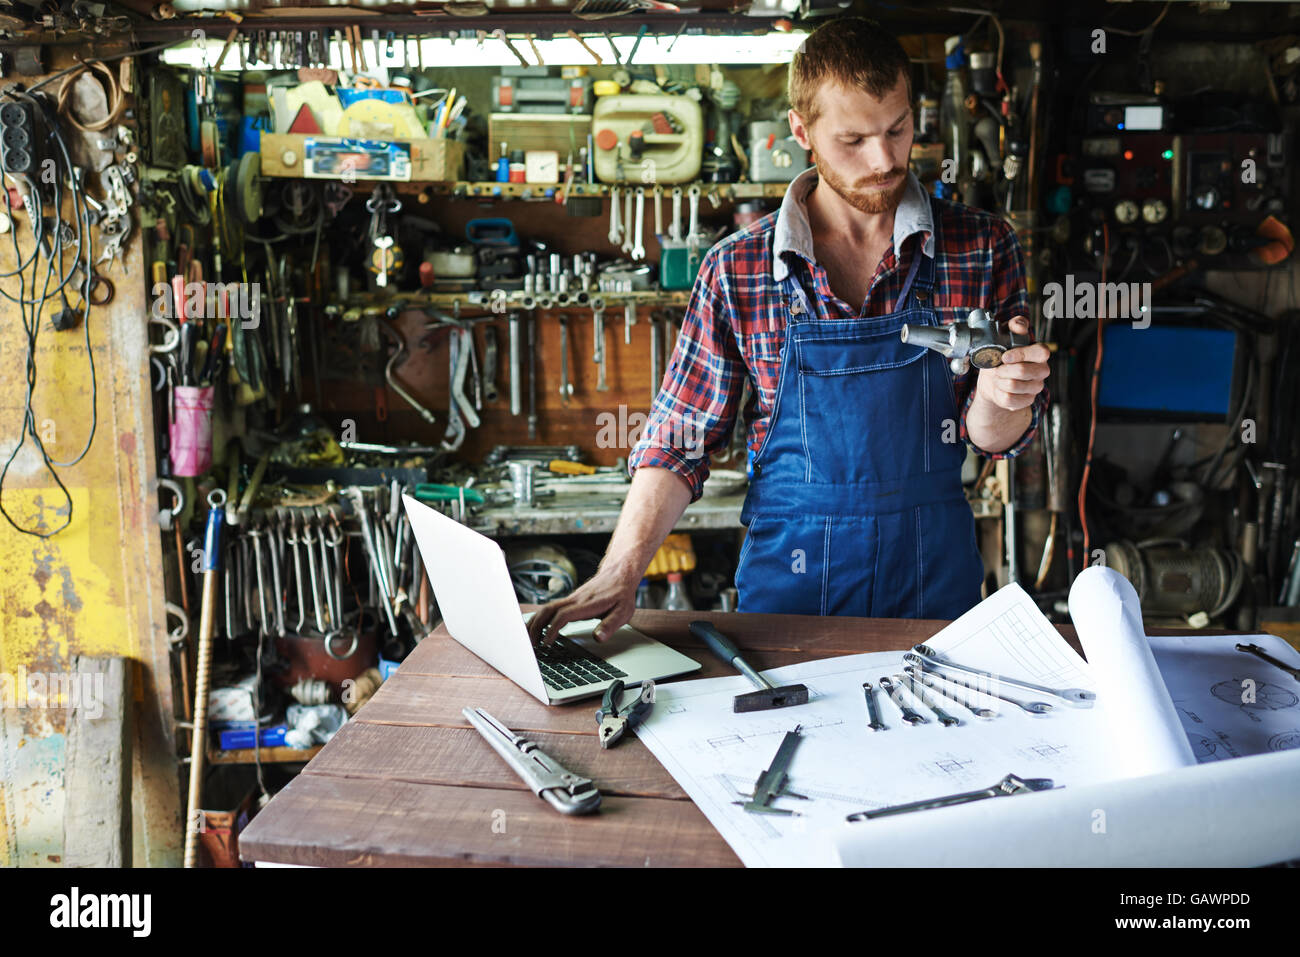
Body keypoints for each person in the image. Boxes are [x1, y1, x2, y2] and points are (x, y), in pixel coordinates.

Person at [527, 17, 1050, 646]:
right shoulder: (737, 268)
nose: (884, 160)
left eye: (898, 130)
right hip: (788, 597)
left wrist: (1001, 397)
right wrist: (620, 569)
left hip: (933, 589)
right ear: (801, 132)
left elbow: (994, 439)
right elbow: (679, 439)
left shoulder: (982, 246)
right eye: (853, 139)